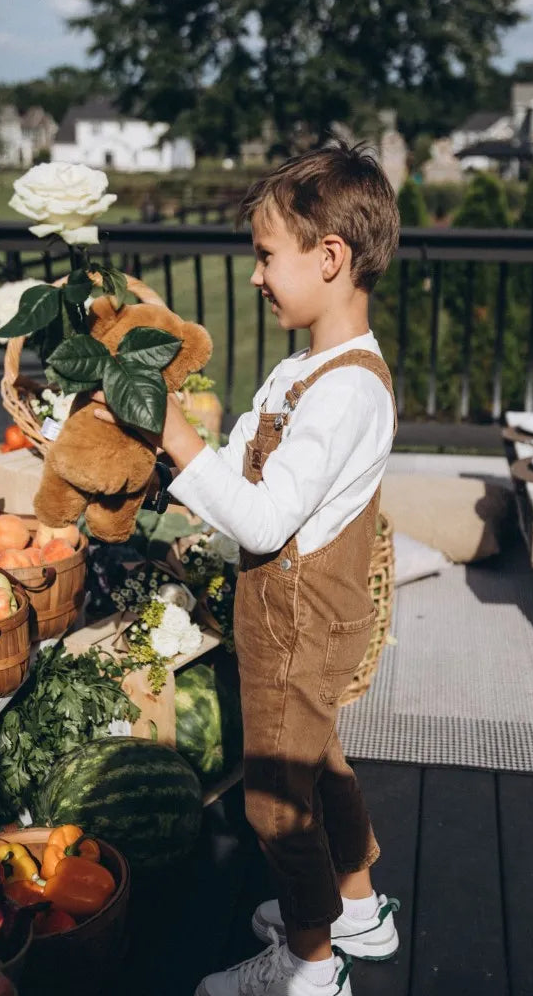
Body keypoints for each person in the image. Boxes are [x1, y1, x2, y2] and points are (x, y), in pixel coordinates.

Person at [95, 140, 401, 996]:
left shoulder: (346, 392)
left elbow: (264, 519)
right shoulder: (303, 369)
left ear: (330, 256)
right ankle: (355, 907)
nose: (258, 275)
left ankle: (308, 966)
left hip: (300, 623)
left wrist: (176, 438)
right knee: (321, 761)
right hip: (289, 617)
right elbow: (237, 479)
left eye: (268, 256)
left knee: (274, 799)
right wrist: (178, 491)